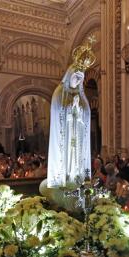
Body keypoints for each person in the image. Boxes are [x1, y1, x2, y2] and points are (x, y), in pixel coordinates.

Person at [46, 38, 94, 188]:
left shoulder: (82, 97)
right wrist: (70, 109)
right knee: (67, 157)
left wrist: (79, 111)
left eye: (80, 79)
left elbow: (86, 116)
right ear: (69, 76)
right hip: (65, 134)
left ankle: (77, 177)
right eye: (75, 77)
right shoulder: (60, 93)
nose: (78, 81)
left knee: (76, 159)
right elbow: (57, 112)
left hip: (77, 134)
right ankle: (64, 177)